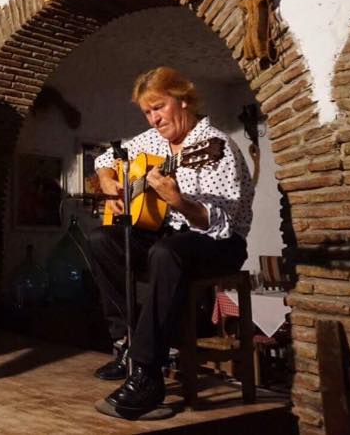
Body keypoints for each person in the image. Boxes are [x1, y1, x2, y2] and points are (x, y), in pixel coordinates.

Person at [87, 66, 253, 417]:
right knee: (101, 238)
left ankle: (148, 374)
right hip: (169, 236)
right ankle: (126, 344)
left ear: (182, 99)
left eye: (158, 107)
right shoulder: (150, 142)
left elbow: (218, 222)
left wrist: (179, 202)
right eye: (147, 112)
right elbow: (106, 158)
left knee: (167, 253)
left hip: (218, 241)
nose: (153, 119)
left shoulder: (217, 147)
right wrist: (106, 180)